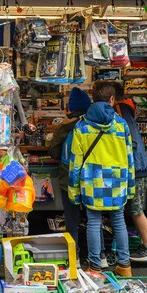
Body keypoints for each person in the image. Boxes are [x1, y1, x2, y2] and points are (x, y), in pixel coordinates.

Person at [69, 81, 135, 276]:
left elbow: (75, 164)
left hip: (92, 182)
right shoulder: (121, 126)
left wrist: (74, 192)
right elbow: (129, 158)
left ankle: (95, 266)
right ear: (112, 99)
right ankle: (124, 265)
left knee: (93, 221)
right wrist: (130, 187)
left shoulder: (81, 126)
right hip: (116, 181)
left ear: (93, 98)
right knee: (118, 221)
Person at [112, 82, 147, 261]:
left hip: (135, 167)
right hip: (135, 165)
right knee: (130, 209)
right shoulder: (126, 108)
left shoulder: (121, 109)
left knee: (136, 209)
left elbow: (129, 140)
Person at [48, 87, 92, 256]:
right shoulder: (94, 124)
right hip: (91, 176)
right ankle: (97, 254)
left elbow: (53, 151)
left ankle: (74, 254)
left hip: (69, 177)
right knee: (93, 217)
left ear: (71, 107)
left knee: (71, 217)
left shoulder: (65, 127)